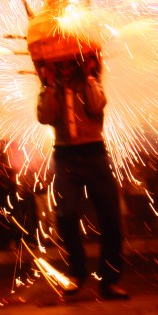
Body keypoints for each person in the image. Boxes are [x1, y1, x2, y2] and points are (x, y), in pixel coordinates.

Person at [37, 52, 129, 300]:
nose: (65, 67)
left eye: (70, 62)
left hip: (94, 152)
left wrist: (89, 75)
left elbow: (97, 105)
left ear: (77, 62)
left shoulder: (91, 82)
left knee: (110, 217)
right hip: (65, 154)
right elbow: (45, 117)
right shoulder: (49, 87)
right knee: (65, 215)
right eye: (60, 63)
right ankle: (77, 271)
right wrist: (49, 85)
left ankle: (110, 281)